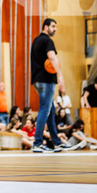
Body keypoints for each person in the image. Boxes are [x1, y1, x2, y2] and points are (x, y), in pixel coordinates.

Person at [30, 18, 69, 153]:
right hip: (46, 80)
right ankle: (37, 143)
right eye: (53, 26)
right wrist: (60, 75)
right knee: (44, 110)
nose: (55, 29)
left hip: (37, 80)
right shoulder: (47, 41)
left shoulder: (36, 40)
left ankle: (56, 142)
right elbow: (52, 57)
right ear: (46, 27)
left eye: (56, 27)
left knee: (51, 111)